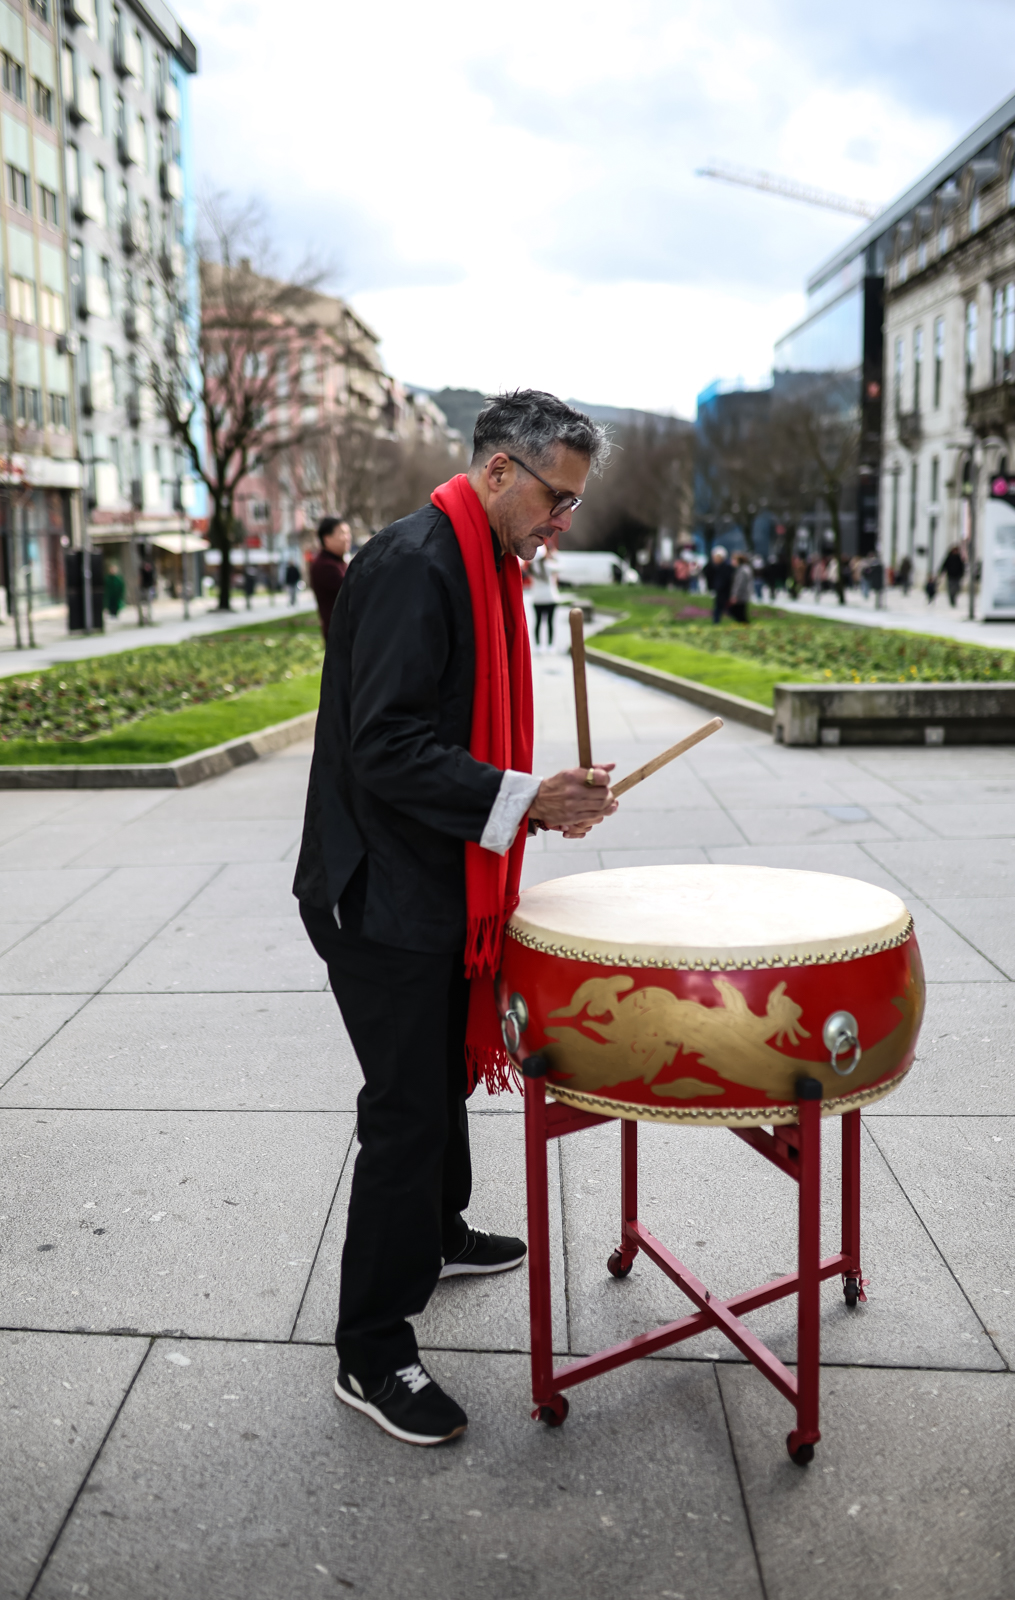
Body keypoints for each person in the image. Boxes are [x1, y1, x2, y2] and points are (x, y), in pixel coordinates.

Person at [293, 391, 618, 1448]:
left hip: (429, 879)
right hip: (375, 893)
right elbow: (383, 746)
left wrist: (536, 797)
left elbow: (445, 740)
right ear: (495, 471)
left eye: (571, 501)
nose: (560, 520)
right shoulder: (414, 563)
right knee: (406, 1109)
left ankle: (435, 1233)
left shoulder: (475, 560)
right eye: (555, 496)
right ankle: (371, 1348)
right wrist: (523, 798)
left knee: (438, 1077)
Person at [311, 516, 353, 640]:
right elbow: (352, 591)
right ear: (327, 539)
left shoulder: (338, 561)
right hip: (340, 636)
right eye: (342, 533)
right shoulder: (325, 566)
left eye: (348, 533)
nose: (347, 538)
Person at [528, 540, 560, 647]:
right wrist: (553, 555)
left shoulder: (532, 567)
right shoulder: (548, 565)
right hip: (550, 598)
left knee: (537, 623)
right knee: (550, 623)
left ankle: (538, 645)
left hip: (537, 598)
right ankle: (550, 645)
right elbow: (560, 567)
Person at [706, 545, 732, 623]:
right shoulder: (715, 567)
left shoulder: (726, 567)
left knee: (726, 610)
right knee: (718, 609)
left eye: (716, 557)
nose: (714, 559)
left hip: (725, 592)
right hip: (720, 592)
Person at [728, 552, 753, 623]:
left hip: (741, 596)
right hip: (743, 595)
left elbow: (739, 584)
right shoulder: (744, 569)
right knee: (740, 614)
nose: (731, 561)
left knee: (739, 614)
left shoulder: (742, 570)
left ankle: (745, 627)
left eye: (733, 560)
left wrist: (735, 595)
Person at [940, 543, 965, 607]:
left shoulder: (959, 558)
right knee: (950, 589)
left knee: (957, 589)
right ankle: (951, 599)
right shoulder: (949, 557)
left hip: (957, 576)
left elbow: (962, 567)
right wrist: (941, 572)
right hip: (950, 575)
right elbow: (944, 565)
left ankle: (954, 598)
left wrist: (962, 574)